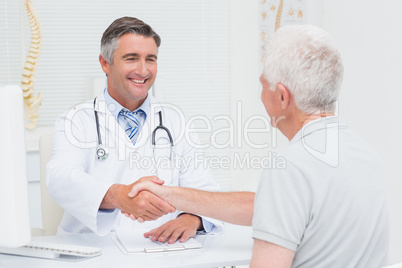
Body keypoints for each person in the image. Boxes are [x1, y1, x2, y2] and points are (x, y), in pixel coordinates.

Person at [126, 25, 389, 267]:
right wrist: (171, 194)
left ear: (283, 96)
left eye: (263, 85)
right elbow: (265, 207)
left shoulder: (291, 168)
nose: (261, 95)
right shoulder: (365, 155)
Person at [46, 16, 223, 243]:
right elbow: (61, 179)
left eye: (150, 59)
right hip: (95, 249)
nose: (143, 70)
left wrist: (192, 218)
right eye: (131, 58)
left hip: (161, 249)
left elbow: (204, 189)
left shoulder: (176, 121)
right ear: (105, 63)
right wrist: (116, 196)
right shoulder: (75, 120)